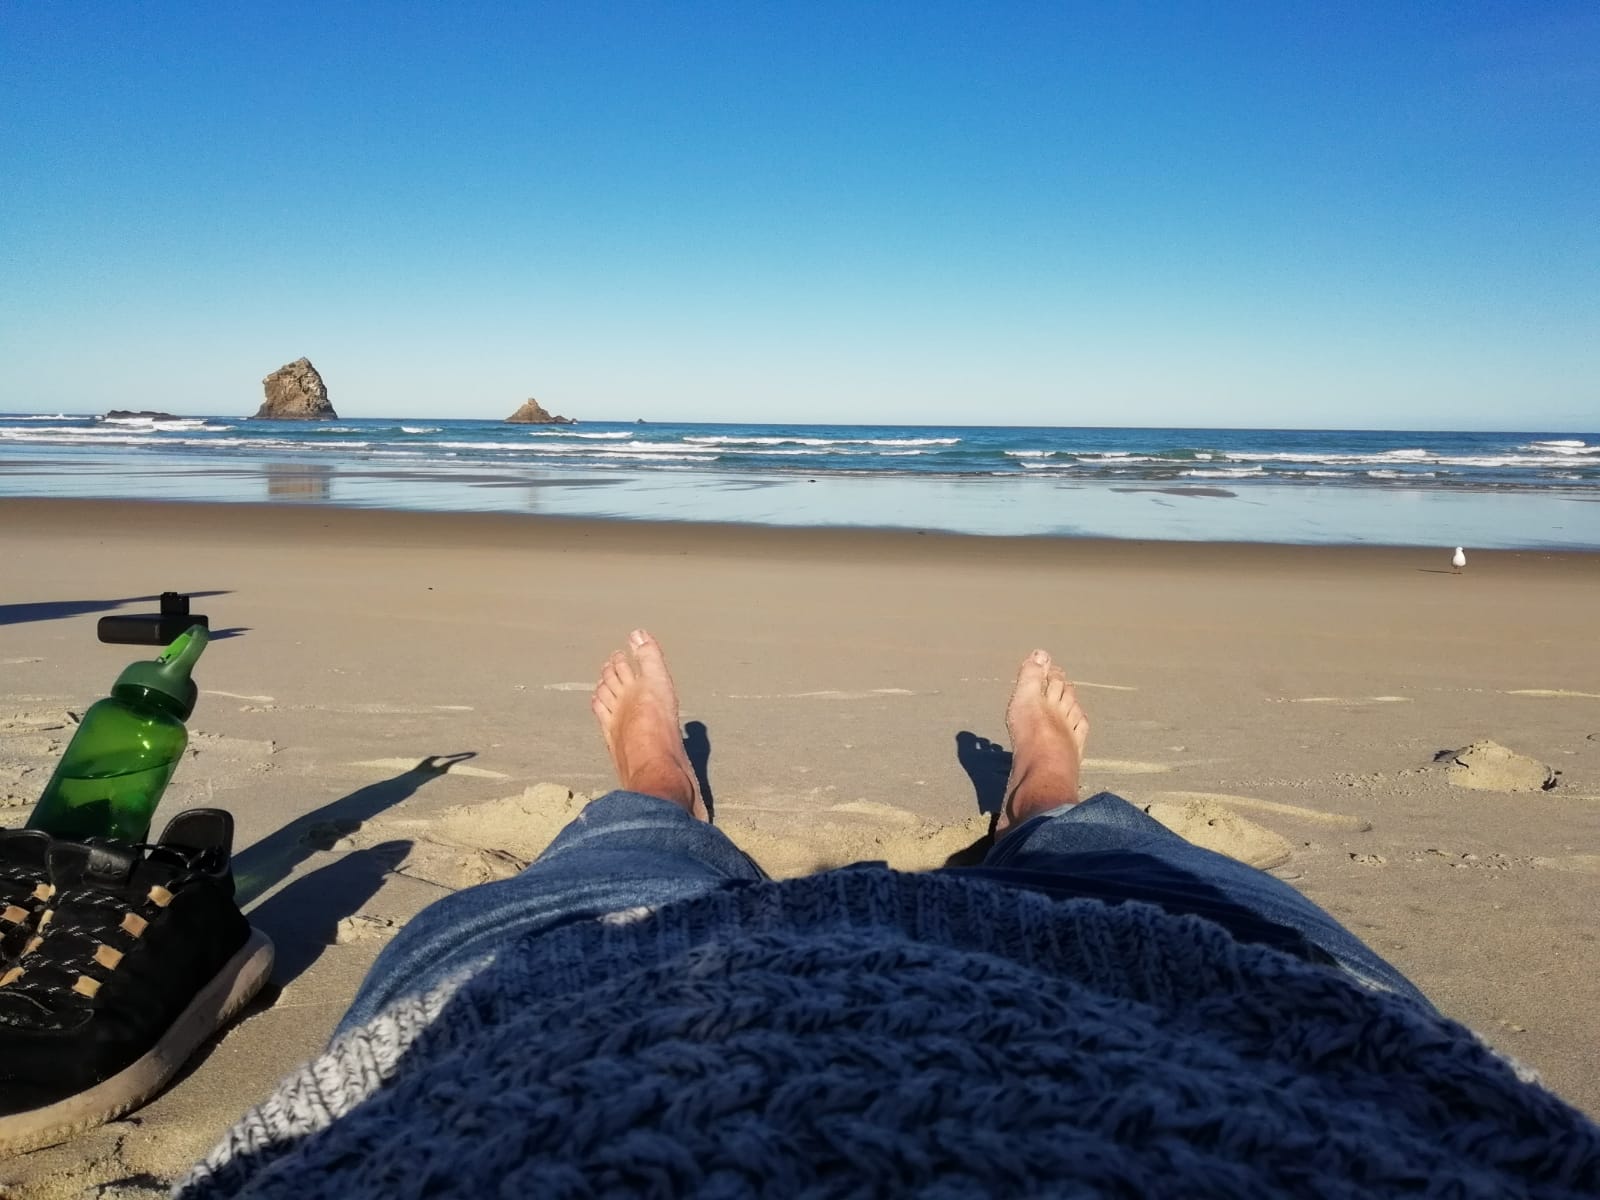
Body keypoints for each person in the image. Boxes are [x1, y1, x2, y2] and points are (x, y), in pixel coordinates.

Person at [179, 631, 1599, 1198]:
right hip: (1225, 1016)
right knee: (1134, 871)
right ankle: (1043, 802)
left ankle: (660, 792)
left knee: (617, 868)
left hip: (554, 1018)